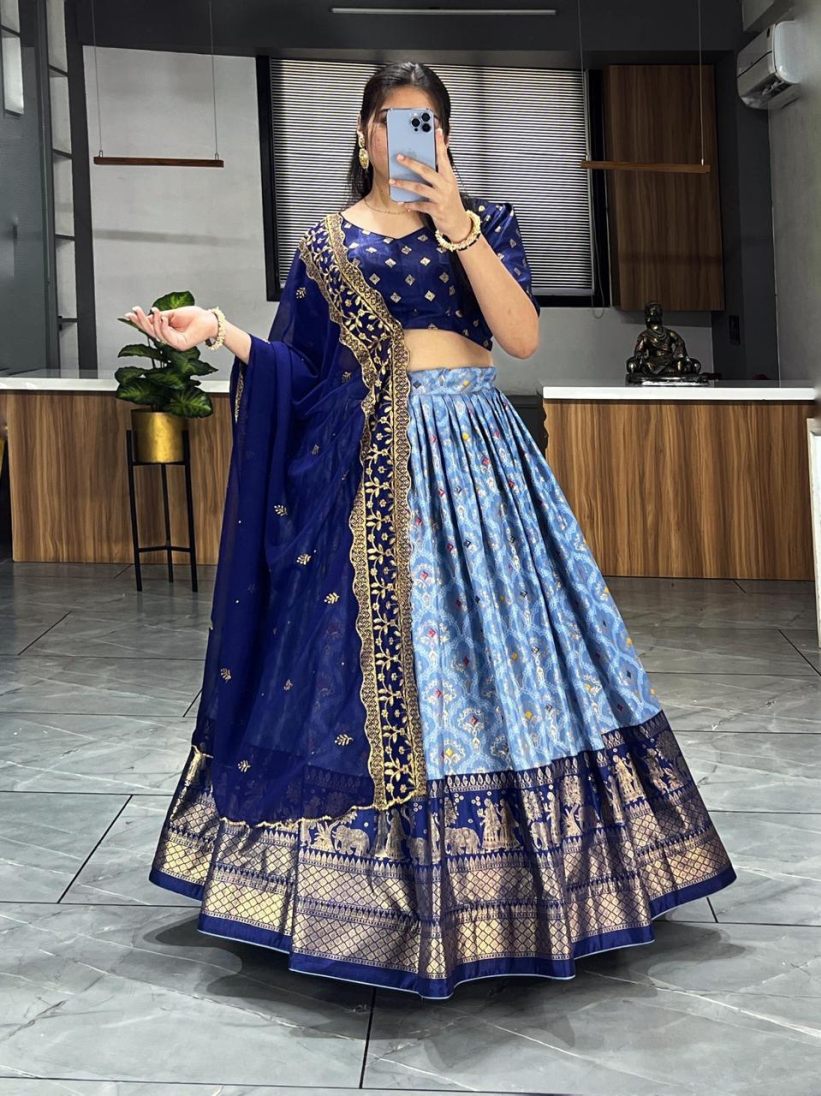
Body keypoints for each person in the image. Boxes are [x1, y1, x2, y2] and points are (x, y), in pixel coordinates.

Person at [133, 61, 736, 1000]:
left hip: (476, 460)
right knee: (367, 666)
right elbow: (298, 368)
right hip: (362, 468)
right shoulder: (323, 243)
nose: (401, 137)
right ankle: (355, 897)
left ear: (444, 138)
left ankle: (536, 885)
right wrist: (214, 329)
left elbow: (519, 338)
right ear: (361, 134)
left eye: (422, 123)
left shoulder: (487, 221)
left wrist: (457, 224)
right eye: (387, 120)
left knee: (510, 658)